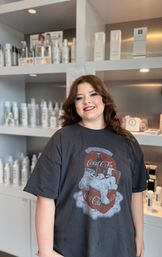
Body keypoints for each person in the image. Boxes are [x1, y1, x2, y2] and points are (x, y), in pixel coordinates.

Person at [24, 75, 147, 257]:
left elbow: (137, 193)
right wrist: (46, 251)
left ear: (104, 99)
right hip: (71, 247)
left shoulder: (127, 142)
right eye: (79, 97)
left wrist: (139, 237)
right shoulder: (62, 140)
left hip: (120, 245)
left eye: (93, 94)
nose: (86, 101)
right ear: (74, 104)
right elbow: (45, 198)